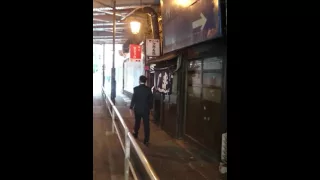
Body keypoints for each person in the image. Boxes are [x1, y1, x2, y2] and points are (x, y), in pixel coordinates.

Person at [130, 75, 153, 146]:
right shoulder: (148, 90)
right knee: (146, 125)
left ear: (139, 81)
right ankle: (146, 140)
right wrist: (150, 108)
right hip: (145, 110)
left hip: (137, 109)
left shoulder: (136, 89)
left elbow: (133, 99)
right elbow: (151, 100)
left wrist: (131, 107)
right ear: (145, 82)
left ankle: (135, 134)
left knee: (137, 122)